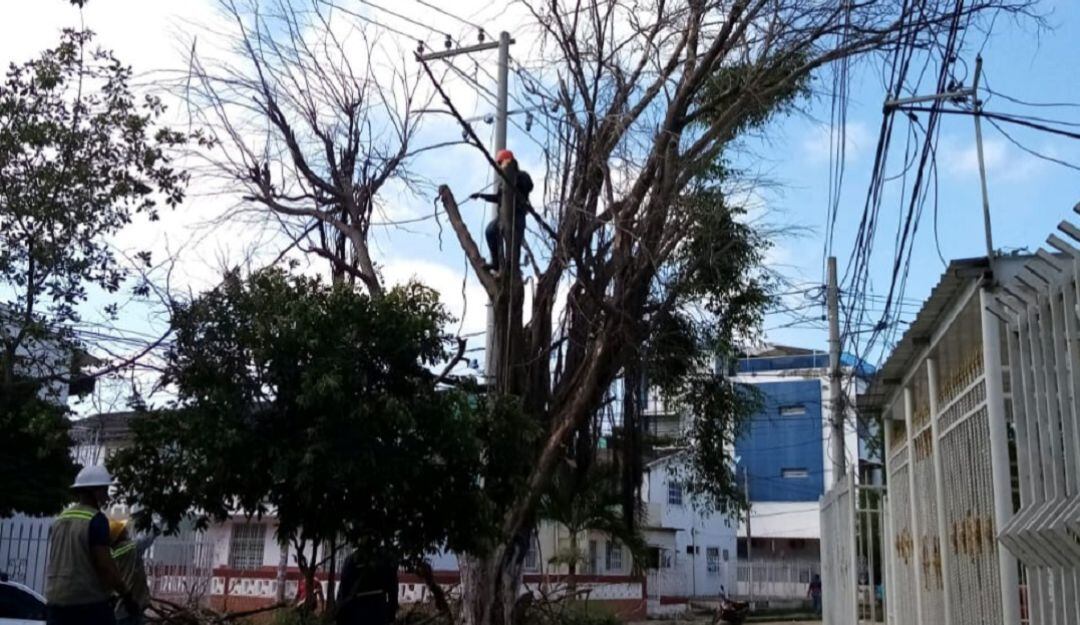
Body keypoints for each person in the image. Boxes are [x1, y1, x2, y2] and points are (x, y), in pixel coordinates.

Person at [45, 465, 138, 625]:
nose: (107, 497)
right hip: (88, 605)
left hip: (55, 603)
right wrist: (126, 596)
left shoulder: (60, 519)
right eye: (104, 490)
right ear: (95, 492)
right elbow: (105, 566)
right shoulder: (96, 520)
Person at [470, 148, 534, 273]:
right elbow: (499, 198)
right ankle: (496, 263)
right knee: (490, 231)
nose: (499, 167)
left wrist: (514, 179)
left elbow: (529, 186)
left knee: (514, 244)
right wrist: (481, 196)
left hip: (517, 215)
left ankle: (512, 270)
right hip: (503, 217)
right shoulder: (503, 183)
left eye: (500, 163)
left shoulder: (522, 176)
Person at [335, 549, 398, 625]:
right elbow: (393, 592)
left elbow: (343, 593)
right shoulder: (385, 559)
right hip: (378, 612)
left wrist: (341, 616)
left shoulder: (352, 560)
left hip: (357, 612)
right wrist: (391, 614)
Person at [109, 520, 154, 625]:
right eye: (123, 529)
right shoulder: (132, 547)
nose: (126, 530)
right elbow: (148, 537)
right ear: (120, 535)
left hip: (117, 609)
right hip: (131, 607)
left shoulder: (111, 555)